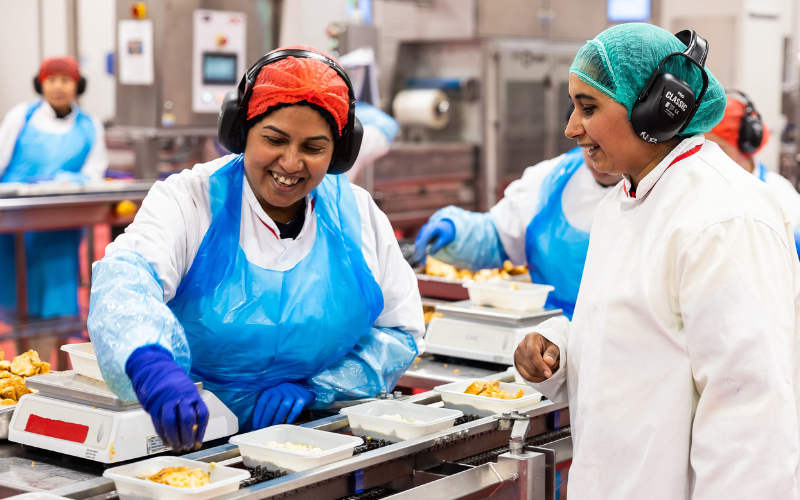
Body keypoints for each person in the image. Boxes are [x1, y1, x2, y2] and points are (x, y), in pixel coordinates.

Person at [88, 46, 424, 451]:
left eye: (313, 148)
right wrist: (152, 365)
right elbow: (126, 283)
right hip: (191, 438)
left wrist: (318, 389)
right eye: (274, 139)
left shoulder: (358, 217)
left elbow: (400, 332)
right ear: (241, 131)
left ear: (339, 152)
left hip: (316, 441)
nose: (291, 162)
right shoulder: (190, 200)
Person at [514, 24, 799, 499]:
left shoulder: (723, 218)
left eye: (588, 108)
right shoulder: (624, 204)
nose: (570, 128)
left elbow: (751, 426)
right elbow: (639, 342)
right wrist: (559, 348)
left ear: (655, 110)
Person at [415, 144, 622, 318]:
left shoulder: (652, 191)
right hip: (551, 337)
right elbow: (498, 236)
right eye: (589, 144)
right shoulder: (551, 179)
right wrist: (457, 231)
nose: (596, 155)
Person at [0, 56, 108, 349]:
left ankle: (44, 373)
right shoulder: (21, 117)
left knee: (53, 303)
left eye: (65, 80)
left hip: (60, 229)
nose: (58, 86)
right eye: (51, 79)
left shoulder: (89, 125)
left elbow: (94, 171)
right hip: (15, 226)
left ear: (77, 86)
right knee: (18, 301)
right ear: (41, 83)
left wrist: (72, 181)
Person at [704, 90, 800, 250]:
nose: (709, 159)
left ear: (746, 146)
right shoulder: (699, 186)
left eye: (721, 149)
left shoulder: (781, 196)